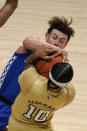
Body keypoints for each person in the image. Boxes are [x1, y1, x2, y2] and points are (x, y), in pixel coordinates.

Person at [0, 16, 75, 130]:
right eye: (54, 37)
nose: (56, 43)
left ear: (65, 44)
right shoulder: (31, 47)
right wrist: (58, 51)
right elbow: (27, 41)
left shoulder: (58, 66)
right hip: (3, 101)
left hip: (23, 113)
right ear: (46, 36)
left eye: (61, 41)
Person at [8, 50, 75, 131]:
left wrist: (37, 54)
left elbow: (29, 62)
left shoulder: (32, 82)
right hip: (43, 128)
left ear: (50, 72)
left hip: (17, 126)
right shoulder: (69, 95)